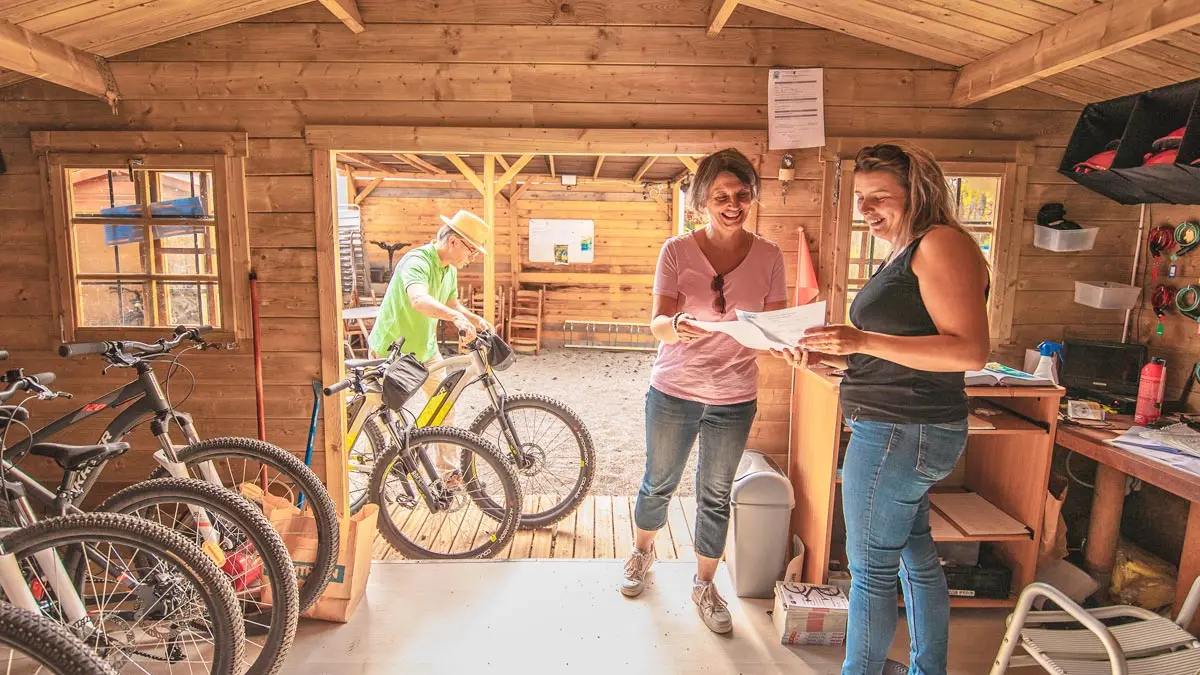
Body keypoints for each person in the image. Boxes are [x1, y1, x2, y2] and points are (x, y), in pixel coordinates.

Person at [784, 142, 990, 675]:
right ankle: (928, 669)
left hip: (902, 433)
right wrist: (819, 361)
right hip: (900, 427)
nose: (866, 209)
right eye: (859, 197)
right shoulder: (905, 252)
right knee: (914, 560)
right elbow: (891, 357)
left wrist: (861, 339)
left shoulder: (941, 244)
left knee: (870, 570)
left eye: (880, 197)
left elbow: (969, 349)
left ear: (917, 193)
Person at [619, 148, 788, 635]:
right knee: (659, 481)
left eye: (742, 194)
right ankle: (641, 553)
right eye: (721, 196)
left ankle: (704, 584)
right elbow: (656, 325)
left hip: (735, 396)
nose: (733, 204)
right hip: (674, 390)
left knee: (715, 493)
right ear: (701, 201)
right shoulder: (675, 251)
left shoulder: (770, 255)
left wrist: (788, 343)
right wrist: (675, 324)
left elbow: (774, 330)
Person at [367, 209, 493, 478]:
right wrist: (455, 317)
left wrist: (476, 319)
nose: (472, 257)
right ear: (454, 241)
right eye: (472, 250)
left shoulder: (449, 269)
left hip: (425, 349)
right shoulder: (417, 261)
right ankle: (383, 472)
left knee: (444, 407)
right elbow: (419, 300)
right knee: (384, 415)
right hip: (391, 350)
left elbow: (452, 304)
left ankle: (448, 475)